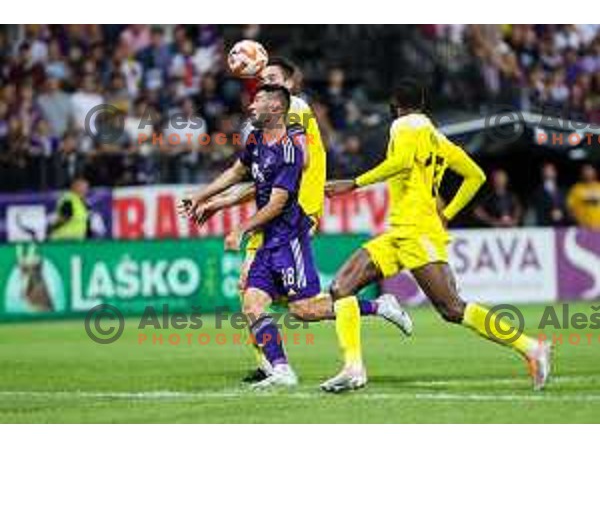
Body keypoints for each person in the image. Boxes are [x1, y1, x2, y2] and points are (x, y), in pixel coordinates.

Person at [181, 58, 410, 384]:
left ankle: (375, 308)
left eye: (270, 82)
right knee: (251, 298)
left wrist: (238, 224)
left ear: (286, 90)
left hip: (291, 222)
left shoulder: (295, 120)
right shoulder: (260, 139)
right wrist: (208, 198)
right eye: (260, 83)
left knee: (302, 309)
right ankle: (277, 366)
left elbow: (283, 183)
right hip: (271, 224)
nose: (256, 93)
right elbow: (245, 174)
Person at [319, 82, 551, 392]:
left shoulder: (403, 125)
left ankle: (532, 348)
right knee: (341, 287)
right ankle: (353, 367)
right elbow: (475, 176)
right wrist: (448, 213)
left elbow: (400, 162)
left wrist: (354, 183)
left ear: (395, 103)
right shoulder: (436, 136)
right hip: (403, 230)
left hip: (416, 232)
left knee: (452, 308)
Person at [533, 162, 568, 226]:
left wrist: (562, 214)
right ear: (542, 173)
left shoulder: (563, 190)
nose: (549, 173)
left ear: (555, 173)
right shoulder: (538, 192)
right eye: (546, 171)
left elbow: (566, 206)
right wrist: (550, 214)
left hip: (562, 226)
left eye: (551, 170)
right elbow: (538, 211)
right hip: (545, 227)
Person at [567, 164, 600, 229]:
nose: (587, 173)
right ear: (582, 174)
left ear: (594, 173)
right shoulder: (576, 189)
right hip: (582, 227)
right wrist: (577, 222)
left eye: (589, 171)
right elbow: (570, 208)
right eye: (585, 171)